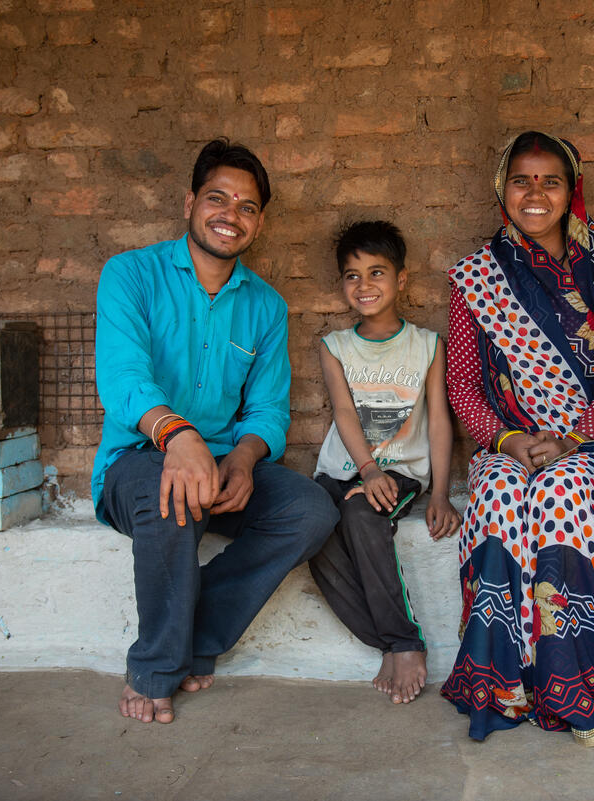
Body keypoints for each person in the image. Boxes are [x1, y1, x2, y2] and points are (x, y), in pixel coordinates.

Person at [439, 131, 594, 745]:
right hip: (508, 441)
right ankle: (500, 682)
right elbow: (464, 387)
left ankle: (579, 678)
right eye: (522, 180)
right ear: (503, 189)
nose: (536, 193)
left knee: (559, 499)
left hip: (593, 440)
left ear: (573, 190)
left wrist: (573, 437)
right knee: (495, 502)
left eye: (551, 180)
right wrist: (508, 440)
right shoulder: (474, 277)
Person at [92, 137, 338, 725]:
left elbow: (268, 412)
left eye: (247, 206)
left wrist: (246, 459)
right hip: (137, 462)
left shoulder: (266, 305)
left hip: (226, 468)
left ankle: (198, 635)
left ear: (258, 222)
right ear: (189, 203)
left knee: (310, 510)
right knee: (170, 490)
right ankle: (155, 667)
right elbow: (123, 378)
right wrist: (179, 439)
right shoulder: (130, 275)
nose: (230, 214)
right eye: (217, 198)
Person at [309, 220, 462, 705]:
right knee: (315, 529)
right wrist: (364, 470)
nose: (365, 285)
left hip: (401, 469)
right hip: (342, 466)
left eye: (377, 272)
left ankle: (404, 642)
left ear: (402, 280)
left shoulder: (427, 345)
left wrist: (439, 492)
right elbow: (344, 413)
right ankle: (386, 641)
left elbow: (439, 421)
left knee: (361, 514)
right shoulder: (336, 347)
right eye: (352, 276)